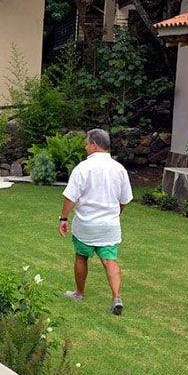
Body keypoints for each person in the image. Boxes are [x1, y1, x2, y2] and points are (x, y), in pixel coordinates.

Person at [58, 128, 133, 315]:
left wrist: (63, 218)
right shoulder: (119, 169)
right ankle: (116, 297)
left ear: (94, 144)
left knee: (81, 256)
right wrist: (116, 214)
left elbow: (70, 197)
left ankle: (79, 292)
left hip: (86, 224)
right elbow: (124, 200)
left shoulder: (83, 168)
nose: (85, 147)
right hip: (110, 225)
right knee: (110, 260)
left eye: (86, 142)